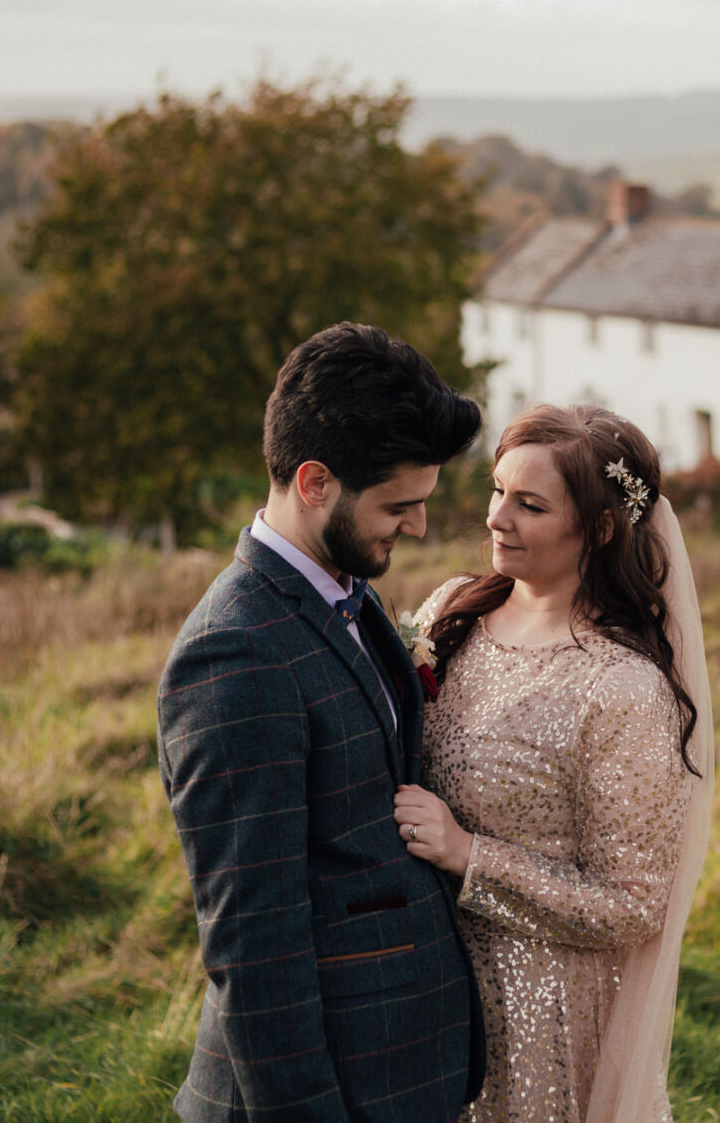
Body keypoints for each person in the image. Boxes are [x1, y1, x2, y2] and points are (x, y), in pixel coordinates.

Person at [157, 323, 487, 1122]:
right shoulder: (234, 654)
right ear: (313, 482)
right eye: (398, 505)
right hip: (328, 1088)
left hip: (397, 1068)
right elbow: (253, 941)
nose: (415, 527)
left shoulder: (346, 592)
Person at [392, 404, 714, 1123]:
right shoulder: (451, 612)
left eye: (529, 505)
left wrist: (469, 855)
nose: (497, 519)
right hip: (424, 986)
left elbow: (633, 904)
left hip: (542, 1017)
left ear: (599, 529)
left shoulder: (619, 688)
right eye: (497, 491)